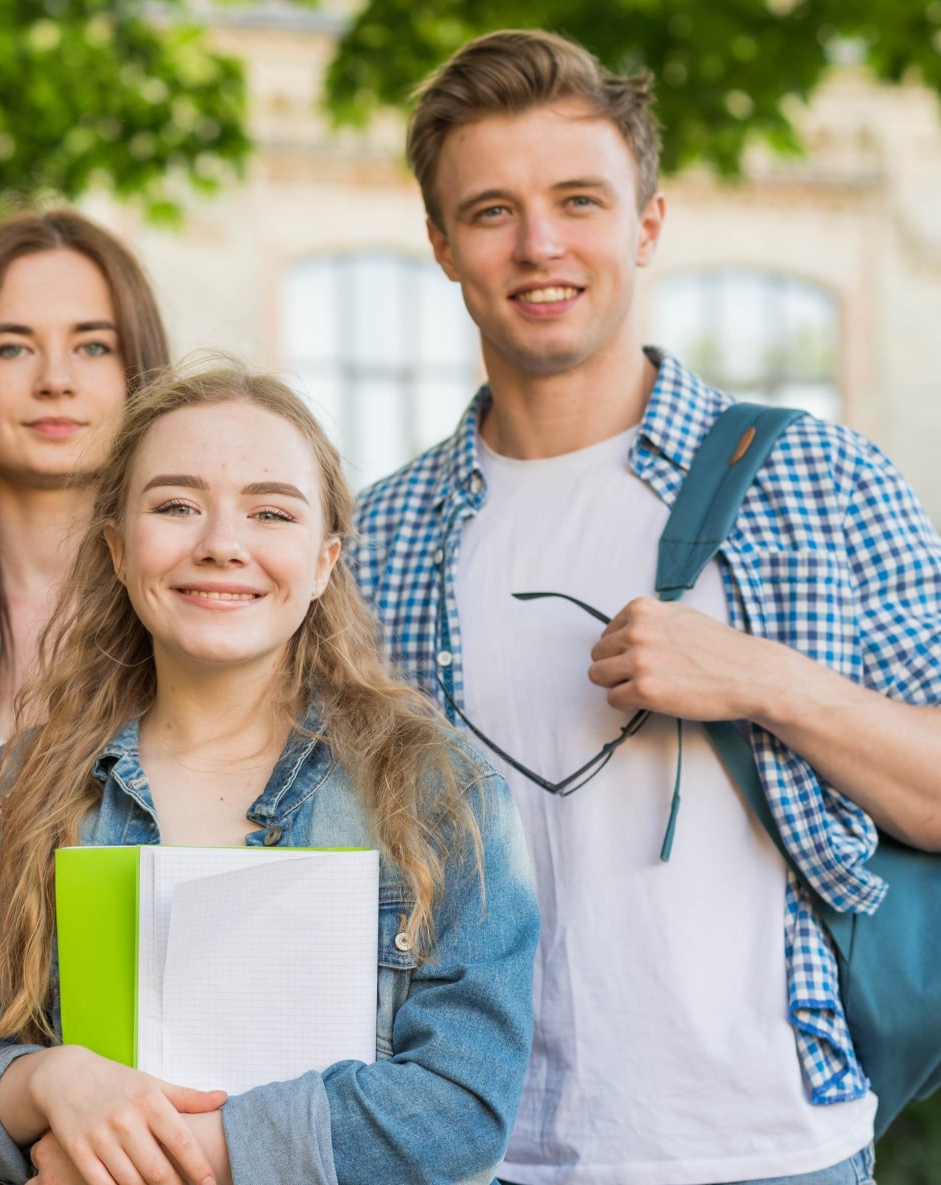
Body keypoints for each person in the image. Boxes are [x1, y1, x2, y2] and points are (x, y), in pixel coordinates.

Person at [354, 29, 941, 1185]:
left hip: (774, 1150)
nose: (541, 245)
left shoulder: (817, 481)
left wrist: (759, 677)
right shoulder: (377, 536)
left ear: (648, 223)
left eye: (580, 199)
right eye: (490, 212)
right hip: (475, 1156)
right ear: (439, 244)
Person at [0, 365, 539, 1185]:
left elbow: (463, 1105)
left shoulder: (441, 791)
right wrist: (48, 1082)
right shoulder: (31, 785)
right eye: (175, 505)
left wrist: (185, 1147)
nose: (221, 543)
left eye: (270, 511)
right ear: (118, 550)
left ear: (324, 561)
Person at [0, 208, 171, 764]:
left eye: (93, 346)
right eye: (13, 348)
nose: (55, 382)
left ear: (139, 368)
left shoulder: (196, 613)